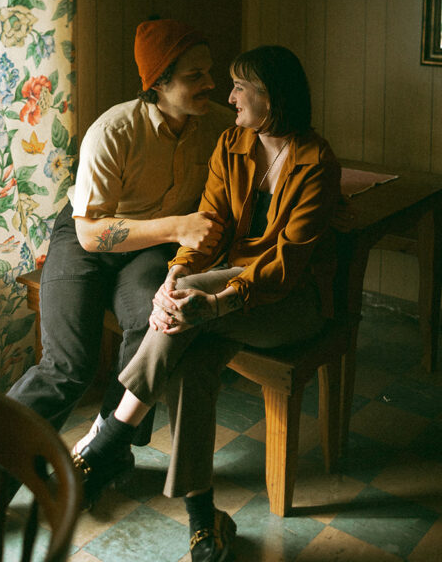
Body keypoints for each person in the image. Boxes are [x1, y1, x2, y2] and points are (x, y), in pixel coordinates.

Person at [72, 45, 340, 562]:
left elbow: (284, 268)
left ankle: (110, 440)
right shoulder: (232, 143)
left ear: (272, 98)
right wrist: (174, 277)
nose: (230, 95)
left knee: (190, 302)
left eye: (242, 87)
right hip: (226, 296)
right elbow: (209, 226)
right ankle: (204, 520)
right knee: (191, 360)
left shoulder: (317, 162)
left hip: (287, 306)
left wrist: (211, 302)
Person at [0, 17, 233, 504]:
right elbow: (90, 233)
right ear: (160, 82)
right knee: (68, 365)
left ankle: (107, 452)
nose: (211, 84)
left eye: (210, 72)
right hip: (87, 237)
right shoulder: (114, 130)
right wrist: (177, 226)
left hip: (150, 252)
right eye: (196, 76)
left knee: (151, 326)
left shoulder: (216, 127)